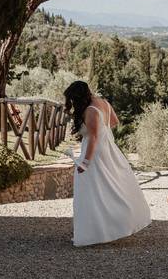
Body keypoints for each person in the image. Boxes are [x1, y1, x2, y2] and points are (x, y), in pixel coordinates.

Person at [64, 80, 151, 246]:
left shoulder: (90, 110)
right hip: (108, 150)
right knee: (108, 188)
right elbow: (114, 122)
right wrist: (102, 130)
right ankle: (108, 226)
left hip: (95, 154)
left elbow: (94, 137)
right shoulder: (103, 102)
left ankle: (95, 232)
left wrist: (85, 162)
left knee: (91, 191)